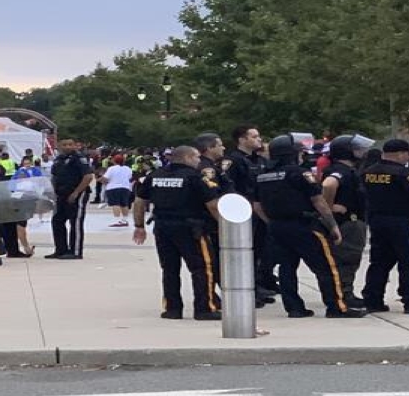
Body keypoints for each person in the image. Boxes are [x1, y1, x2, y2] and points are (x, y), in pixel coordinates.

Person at [254, 135, 362, 318]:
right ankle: (337, 307)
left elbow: (256, 205)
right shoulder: (300, 173)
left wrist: (272, 221)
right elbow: (319, 201)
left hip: (277, 227)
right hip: (304, 226)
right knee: (327, 267)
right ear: (292, 154)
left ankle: (294, 308)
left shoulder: (262, 176)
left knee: (287, 268)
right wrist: (332, 225)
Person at [131, 144, 224, 320]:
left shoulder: (155, 176)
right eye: (196, 157)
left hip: (163, 228)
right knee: (203, 268)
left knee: (169, 269)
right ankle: (205, 308)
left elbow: (139, 202)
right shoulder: (196, 177)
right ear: (188, 158)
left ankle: (172, 309)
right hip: (192, 229)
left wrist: (139, 226)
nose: (198, 161)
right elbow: (212, 204)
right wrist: (222, 226)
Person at [359, 139, 409, 314]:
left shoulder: (368, 172)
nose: (408, 157)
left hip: (377, 221)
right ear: (401, 153)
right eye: (407, 154)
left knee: (379, 262)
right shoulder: (404, 173)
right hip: (404, 221)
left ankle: (373, 299)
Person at [320, 136, 371, 308]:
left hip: (351, 221)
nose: (362, 152)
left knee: (348, 260)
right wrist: (328, 207)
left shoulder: (347, 170)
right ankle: (344, 294)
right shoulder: (341, 170)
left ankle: (343, 293)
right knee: (347, 260)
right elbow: (328, 185)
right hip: (348, 223)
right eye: (357, 149)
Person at [232, 124, 277, 304]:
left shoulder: (259, 160)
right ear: (242, 139)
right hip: (245, 211)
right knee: (246, 251)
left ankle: (257, 284)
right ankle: (247, 288)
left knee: (259, 250)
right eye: (254, 136)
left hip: (259, 210)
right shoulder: (234, 160)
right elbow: (231, 187)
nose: (259, 139)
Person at [47, 139, 95, 260]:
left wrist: (76, 192)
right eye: (64, 145)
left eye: (70, 144)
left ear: (74, 146)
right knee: (57, 221)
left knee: (76, 222)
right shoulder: (58, 160)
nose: (67, 147)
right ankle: (61, 249)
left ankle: (75, 251)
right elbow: (54, 176)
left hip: (76, 193)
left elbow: (88, 176)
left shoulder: (79, 159)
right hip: (61, 194)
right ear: (59, 146)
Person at [100, 154, 136, 227]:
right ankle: (124, 220)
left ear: (114, 161)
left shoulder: (111, 168)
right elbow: (130, 178)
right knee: (124, 204)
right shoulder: (128, 168)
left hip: (113, 188)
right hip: (125, 188)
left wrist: (101, 180)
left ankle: (117, 220)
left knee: (115, 204)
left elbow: (105, 178)